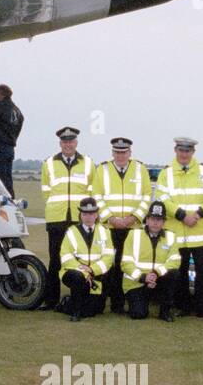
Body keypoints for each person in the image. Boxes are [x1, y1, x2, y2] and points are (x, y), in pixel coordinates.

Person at [154, 137, 203, 318]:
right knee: (179, 272)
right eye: (181, 151)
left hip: (199, 232)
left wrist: (197, 214)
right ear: (176, 150)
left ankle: (202, 307)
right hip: (177, 232)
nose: (184, 154)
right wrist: (182, 215)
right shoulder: (166, 173)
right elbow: (162, 198)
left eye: (188, 151)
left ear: (193, 152)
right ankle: (182, 306)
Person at [91, 137, 152, 314]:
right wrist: (111, 218)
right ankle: (110, 302)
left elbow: (147, 196)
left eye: (124, 152)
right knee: (108, 265)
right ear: (112, 153)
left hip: (133, 228)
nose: (120, 155)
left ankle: (127, 301)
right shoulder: (102, 169)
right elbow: (97, 196)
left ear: (130, 153)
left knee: (128, 264)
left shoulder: (141, 169)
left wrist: (134, 217)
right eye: (117, 152)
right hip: (110, 227)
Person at [40, 127, 94, 310]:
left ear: (76, 143)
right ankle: (51, 300)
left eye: (71, 141)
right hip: (57, 219)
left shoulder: (87, 163)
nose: (68, 144)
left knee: (79, 260)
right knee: (55, 260)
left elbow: (92, 192)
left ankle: (78, 298)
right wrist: (56, 208)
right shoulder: (49, 163)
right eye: (65, 141)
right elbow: (46, 191)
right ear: (60, 144)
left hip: (79, 220)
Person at [121, 201, 181, 321]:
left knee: (174, 272)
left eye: (159, 219)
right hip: (137, 283)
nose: (155, 222)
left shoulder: (171, 236)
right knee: (139, 314)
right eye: (152, 218)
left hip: (158, 280)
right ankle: (140, 303)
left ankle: (165, 311)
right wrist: (144, 277)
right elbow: (126, 263)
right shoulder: (133, 234)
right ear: (147, 219)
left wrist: (156, 273)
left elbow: (175, 260)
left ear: (164, 222)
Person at [58, 197, 112, 322]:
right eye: (85, 214)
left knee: (94, 311)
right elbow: (66, 256)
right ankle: (76, 312)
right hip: (74, 273)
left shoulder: (105, 232)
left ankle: (67, 303)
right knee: (78, 278)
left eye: (92, 213)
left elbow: (108, 258)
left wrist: (92, 270)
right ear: (80, 215)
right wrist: (84, 272)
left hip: (95, 276)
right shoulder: (71, 231)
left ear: (96, 215)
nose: (88, 217)